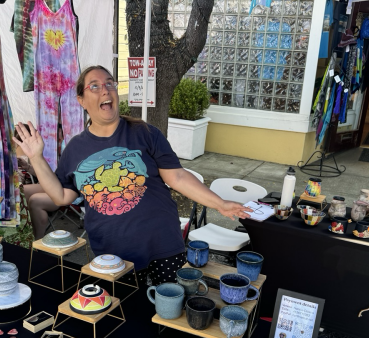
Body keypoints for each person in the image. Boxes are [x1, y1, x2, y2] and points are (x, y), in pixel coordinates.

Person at [13, 65, 252, 284]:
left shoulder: (145, 133)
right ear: (81, 100)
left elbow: (177, 177)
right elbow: (61, 197)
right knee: (125, 321)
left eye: (110, 83)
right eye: (94, 86)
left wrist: (219, 203)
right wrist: (35, 157)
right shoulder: (75, 149)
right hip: (112, 254)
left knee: (169, 317)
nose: (105, 90)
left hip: (163, 244)